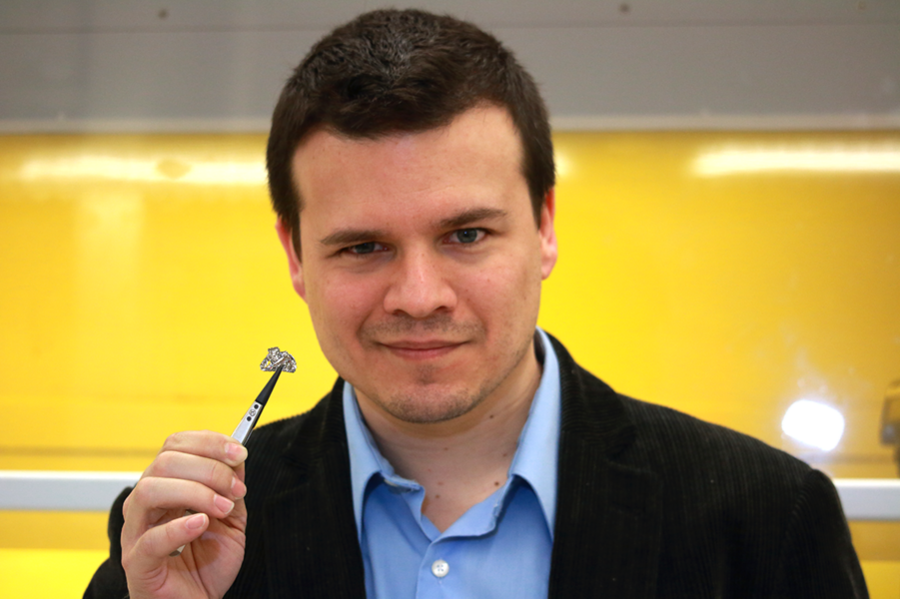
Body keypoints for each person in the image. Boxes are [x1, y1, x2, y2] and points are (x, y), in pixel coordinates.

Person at [85, 8, 868, 599]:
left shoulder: (766, 520)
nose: (419, 297)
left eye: (465, 234)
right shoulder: (174, 542)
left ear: (546, 228)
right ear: (295, 255)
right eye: (363, 246)